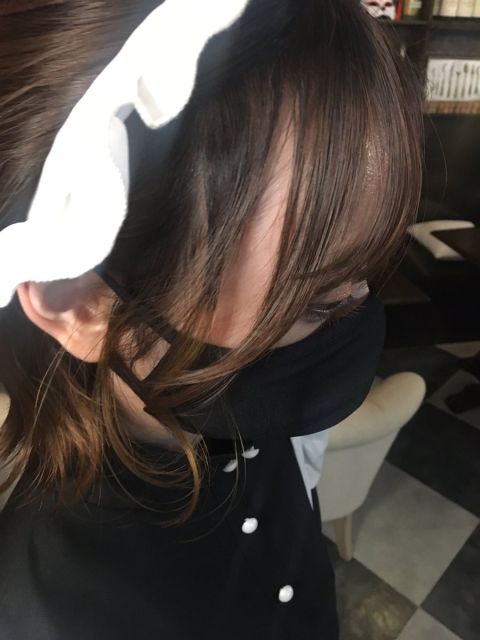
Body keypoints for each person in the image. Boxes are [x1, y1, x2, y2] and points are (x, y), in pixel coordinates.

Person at [0, 1, 424, 638]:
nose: (360, 302)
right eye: (317, 301)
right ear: (80, 304)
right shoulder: (52, 612)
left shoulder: (251, 413)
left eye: (366, 270)